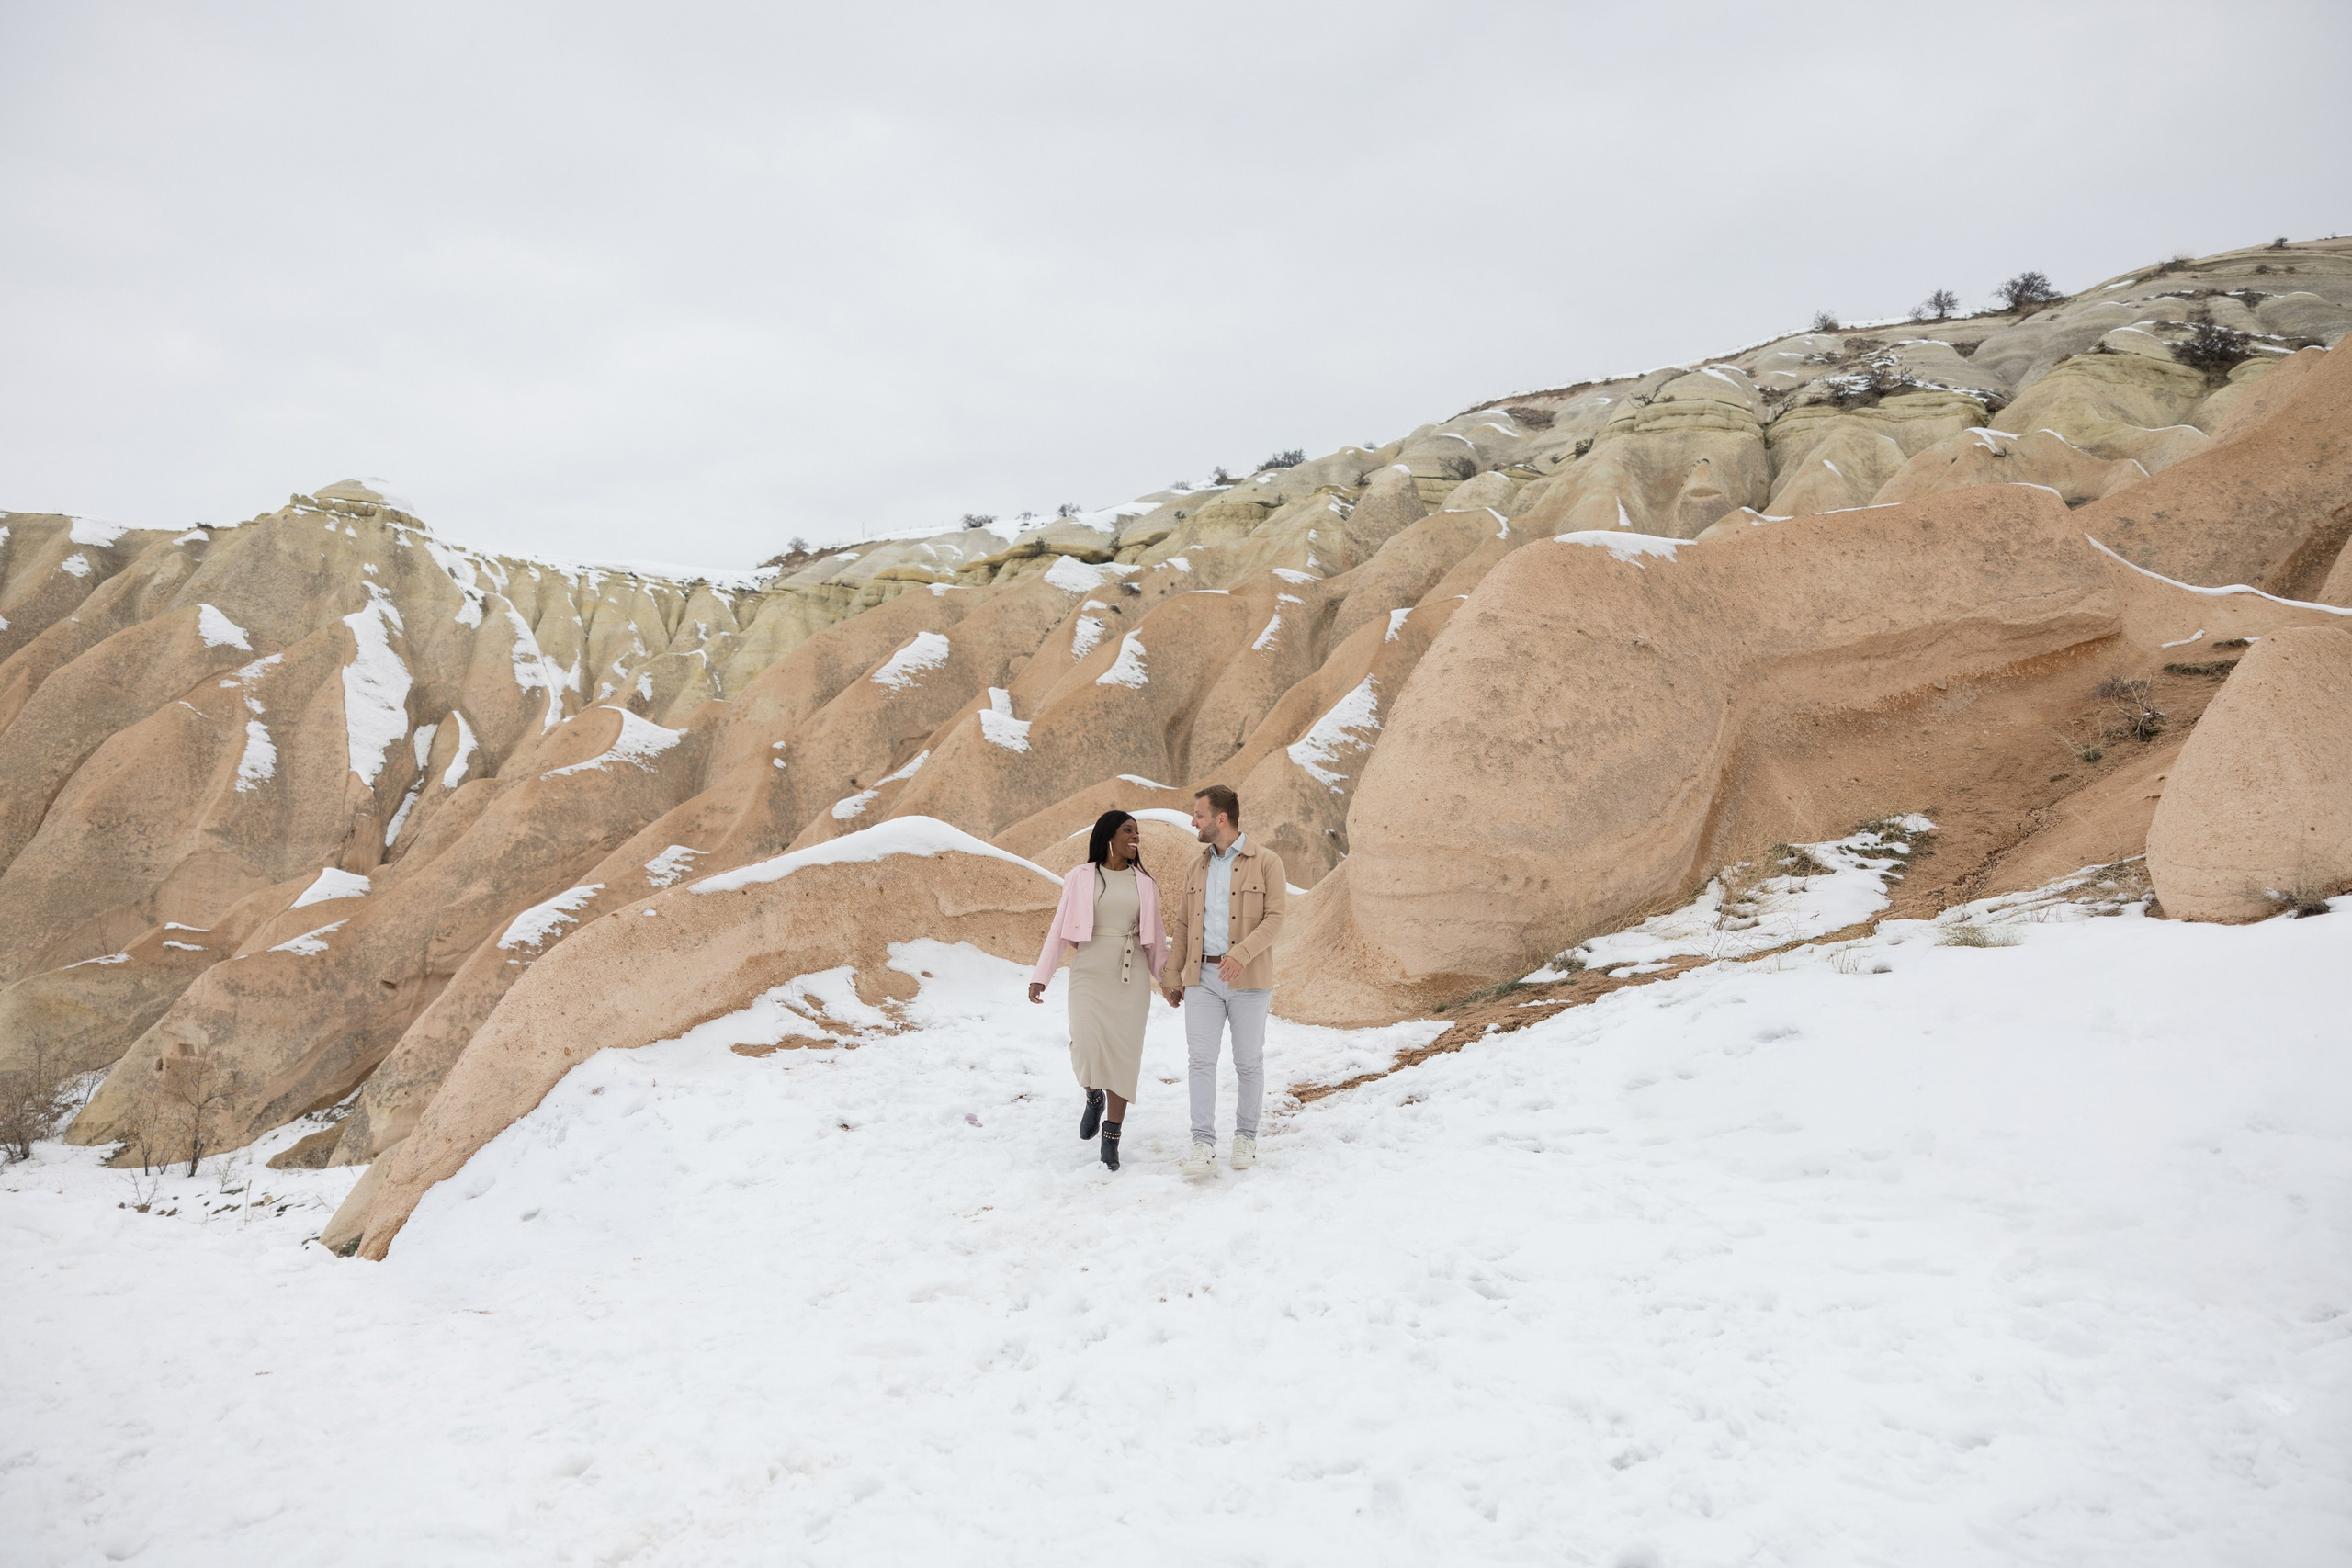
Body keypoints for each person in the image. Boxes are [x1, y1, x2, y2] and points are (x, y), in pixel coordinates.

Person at [1028, 810, 1169, 1171]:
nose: (1135, 837)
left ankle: (1112, 1136)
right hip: (1090, 971)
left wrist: (1169, 983)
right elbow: (1059, 929)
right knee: (1086, 1043)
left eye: (1137, 832)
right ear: (1109, 835)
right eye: (1128, 830)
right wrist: (1041, 975)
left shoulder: (1146, 884)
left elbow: (1155, 944)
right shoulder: (1080, 877)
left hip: (1130, 974)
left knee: (1123, 1055)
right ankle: (1093, 1095)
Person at [1160, 785, 1286, 1177]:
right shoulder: (1195, 867)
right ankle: (1202, 1144)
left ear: (1221, 819)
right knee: (1200, 1062)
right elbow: (1182, 924)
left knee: (1248, 1062)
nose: (1192, 822)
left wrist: (1242, 953)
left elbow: (1276, 918)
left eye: (1198, 815)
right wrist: (1171, 974)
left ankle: (1246, 1137)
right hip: (1202, 978)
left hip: (1249, 979)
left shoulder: (1267, 861)